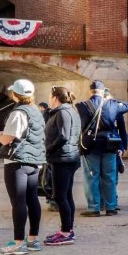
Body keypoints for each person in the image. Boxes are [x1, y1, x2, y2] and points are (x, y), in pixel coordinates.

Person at [0, 80, 47, 255]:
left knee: (18, 202)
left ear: (15, 94)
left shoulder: (18, 112)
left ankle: (18, 243)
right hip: (34, 160)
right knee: (32, 200)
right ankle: (32, 239)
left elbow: (8, 138)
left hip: (17, 161)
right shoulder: (36, 111)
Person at [77, 81, 128, 216]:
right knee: (110, 177)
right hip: (109, 146)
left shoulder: (81, 106)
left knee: (91, 177)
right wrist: (111, 100)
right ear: (102, 91)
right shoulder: (112, 104)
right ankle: (111, 207)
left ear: (91, 91)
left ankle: (94, 208)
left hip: (91, 147)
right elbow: (127, 106)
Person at [43, 86, 82, 245]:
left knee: (60, 196)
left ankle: (66, 232)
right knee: (66, 195)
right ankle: (68, 229)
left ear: (55, 98)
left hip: (63, 159)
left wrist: (48, 149)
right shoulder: (69, 110)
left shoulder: (63, 112)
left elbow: (64, 136)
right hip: (67, 157)